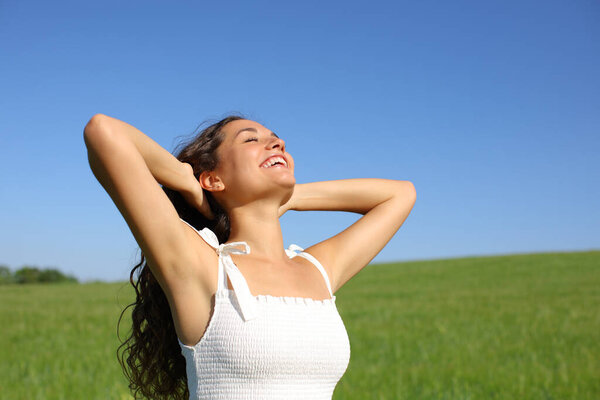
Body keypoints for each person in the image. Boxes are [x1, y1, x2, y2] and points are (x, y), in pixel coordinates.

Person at [83, 113, 416, 400]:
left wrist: (291, 195)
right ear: (213, 178)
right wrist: (185, 179)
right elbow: (104, 132)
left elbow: (400, 194)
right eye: (250, 140)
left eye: (276, 139)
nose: (277, 143)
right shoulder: (200, 266)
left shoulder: (318, 270)